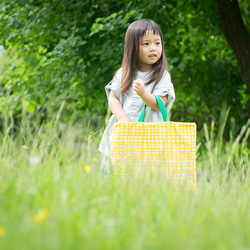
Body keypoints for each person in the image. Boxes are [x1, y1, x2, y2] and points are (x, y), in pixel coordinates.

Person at [99, 19, 175, 173]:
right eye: (146, 44)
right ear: (133, 48)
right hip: (121, 135)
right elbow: (113, 98)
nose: (153, 48)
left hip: (150, 141)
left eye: (157, 43)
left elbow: (160, 103)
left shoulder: (162, 76)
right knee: (113, 175)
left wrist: (143, 94)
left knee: (144, 177)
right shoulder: (124, 73)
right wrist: (123, 120)